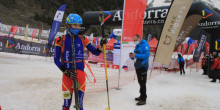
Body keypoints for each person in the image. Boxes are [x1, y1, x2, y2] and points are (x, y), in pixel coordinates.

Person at [54, 14, 107, 110]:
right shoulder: (60, 40)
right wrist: (66, 72)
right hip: (67, 76)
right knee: (66, 105)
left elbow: (95, 52)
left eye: (79, 25)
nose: (77, 27)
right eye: (75, 25)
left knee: (80, 105)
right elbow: (56, 59)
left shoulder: (83, 39)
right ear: (69, 25)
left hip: (80, 76)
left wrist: (100, 46)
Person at [129, 34, 150, 105]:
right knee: (140, 82)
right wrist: (131, 56)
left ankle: (143, 99)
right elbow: (135, 56)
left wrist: (136, 55)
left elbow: (146, 55)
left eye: (136, 40)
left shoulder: (145, 45)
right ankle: (141, 96)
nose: (135, 41)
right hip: (138, 66)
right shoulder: (137, 45)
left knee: (143, 83)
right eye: (134, 40)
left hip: (143, 66)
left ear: (139, 39)